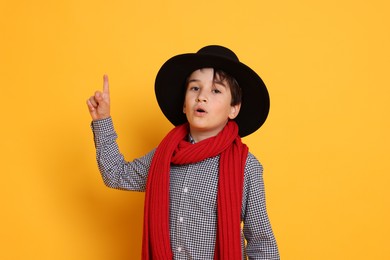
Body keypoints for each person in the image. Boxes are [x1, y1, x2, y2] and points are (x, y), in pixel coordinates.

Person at [87, 45, 280, 260]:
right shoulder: (164, 156)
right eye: (195, 88)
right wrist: (102, 120)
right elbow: (116, 174)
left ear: (233, 108)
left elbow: (261, 242)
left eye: (216, 90)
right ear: (184, 106)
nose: (202, 97)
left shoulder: (246, 167)